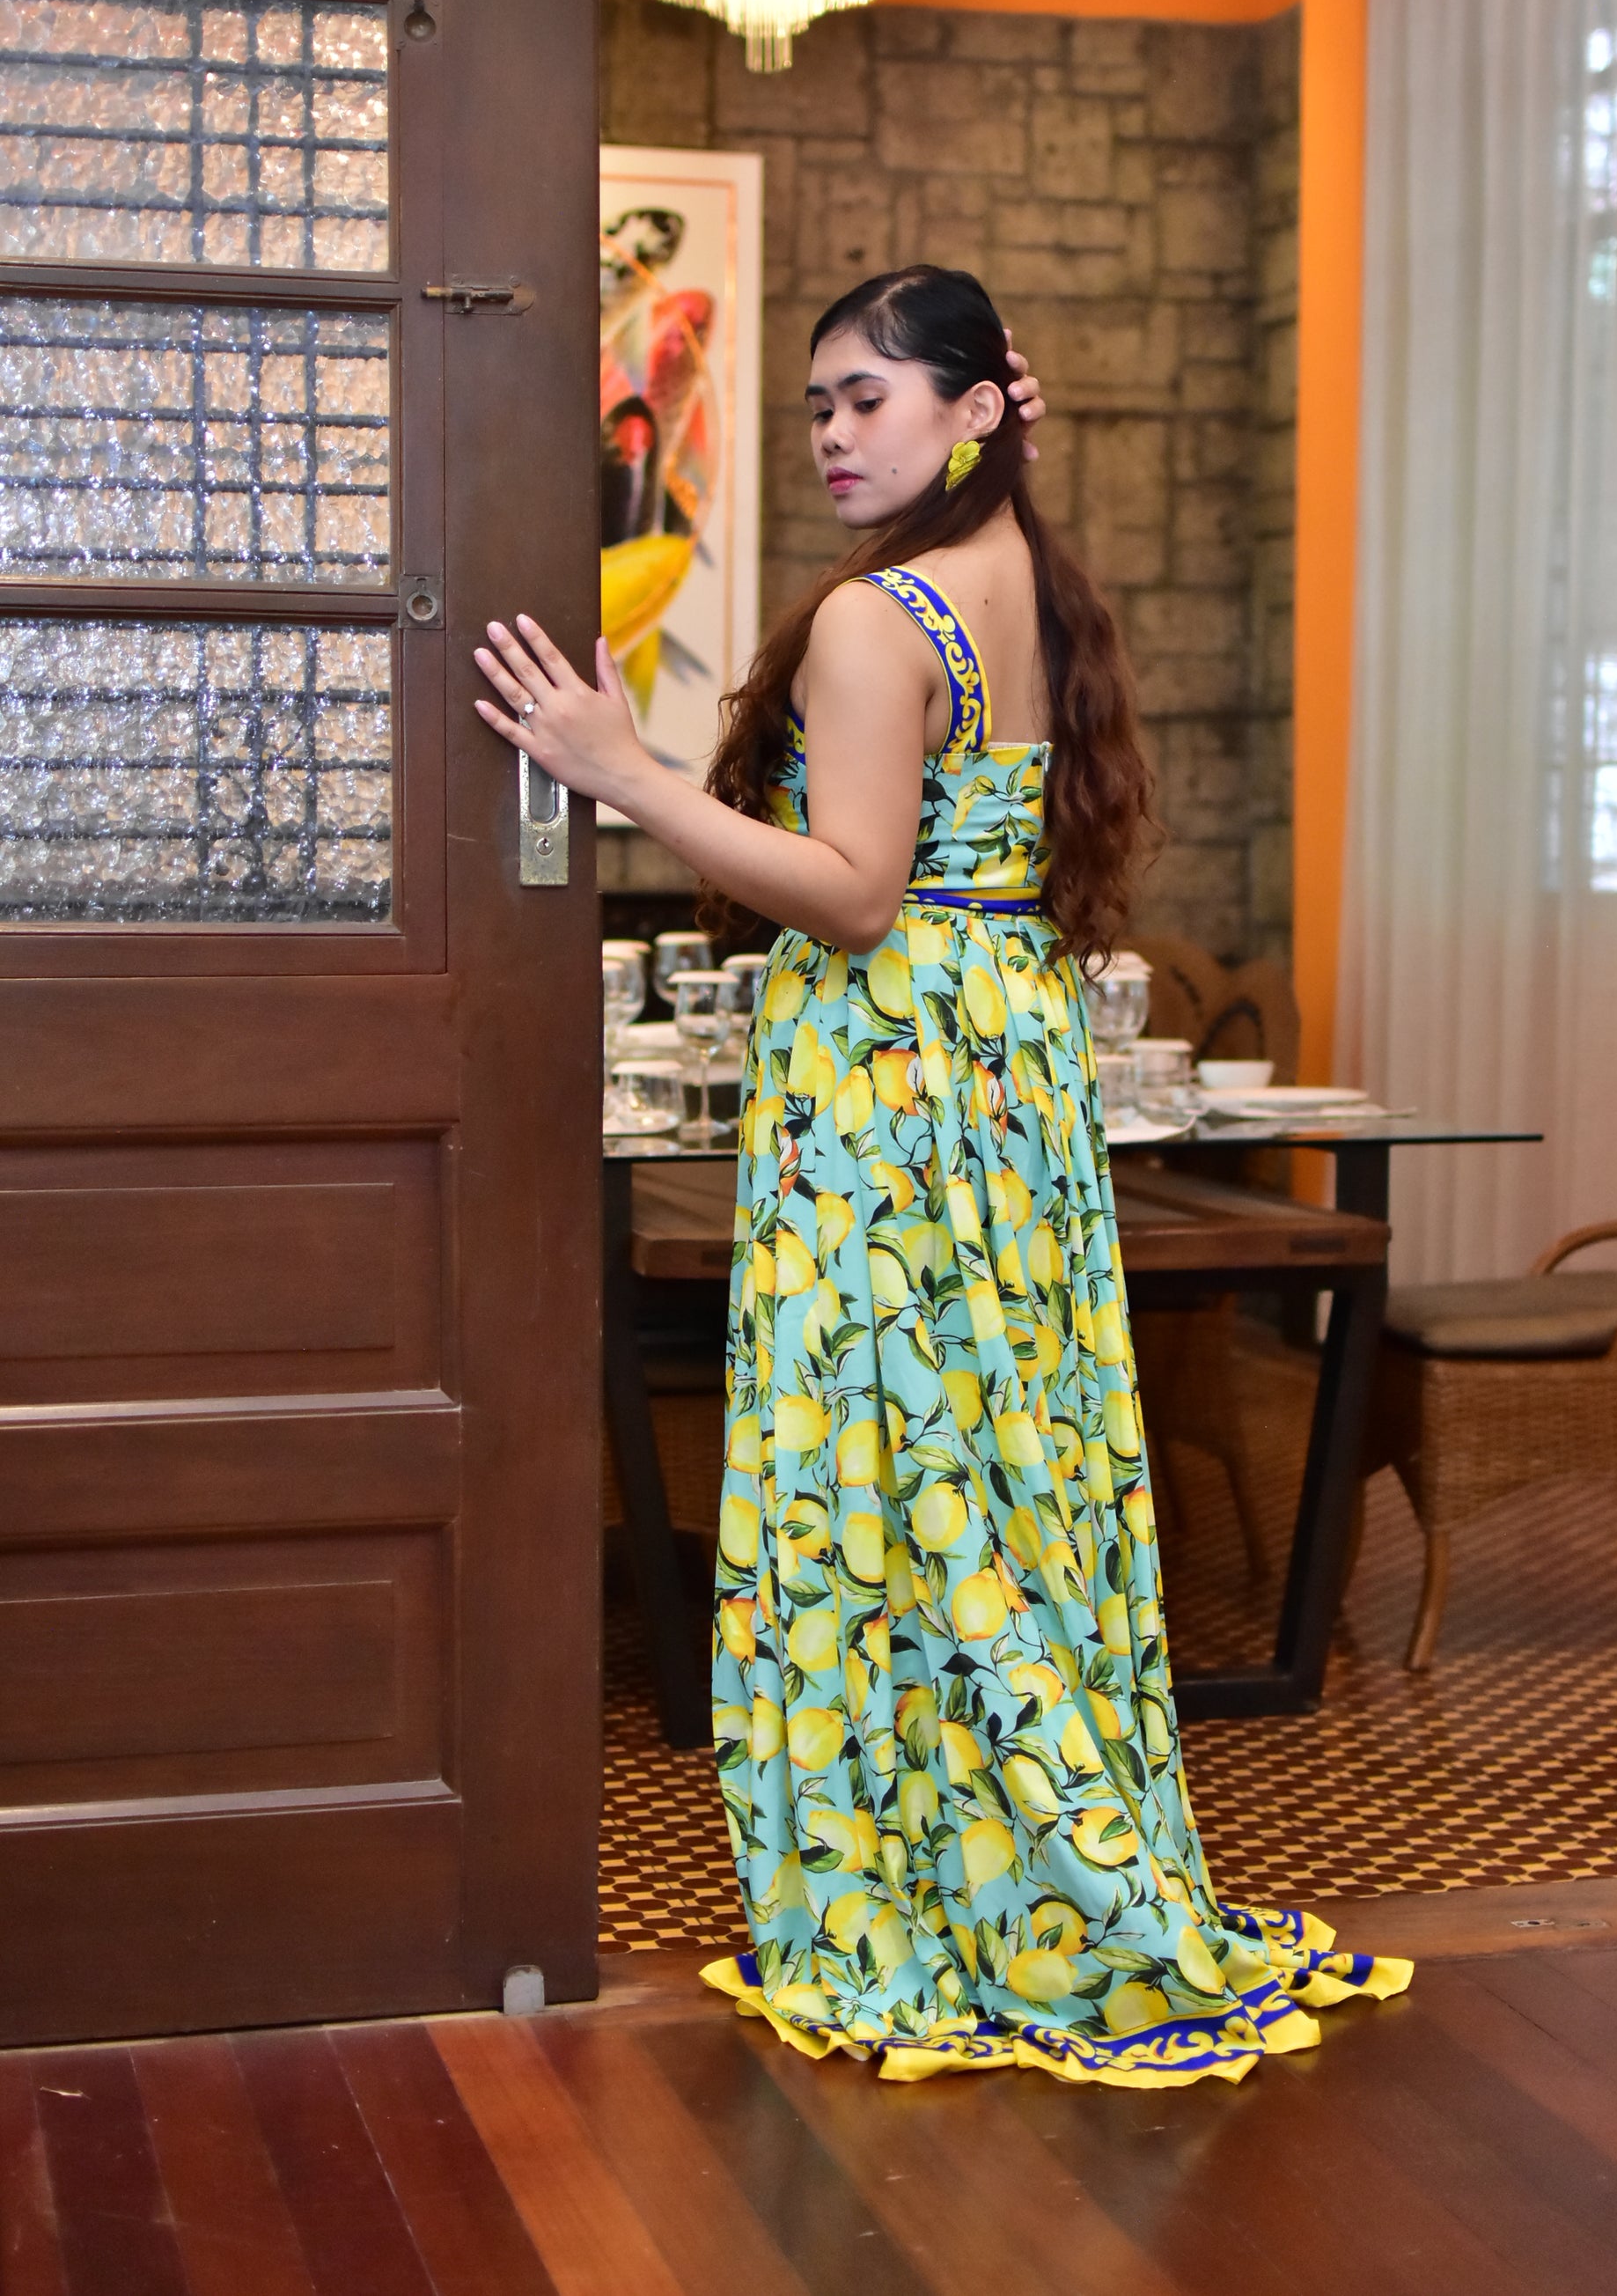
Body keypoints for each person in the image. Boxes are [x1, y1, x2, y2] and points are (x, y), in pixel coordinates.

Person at [474, 264, 1410, 2088]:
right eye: (816, 405)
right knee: (995, 1462)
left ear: (976, 408)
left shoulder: (873, 616)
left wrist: (621, 769)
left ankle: (918, 1885)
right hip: (1003, 1048)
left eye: (868, 399)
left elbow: (849, 893)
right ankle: (1032, 1868)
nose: (832, 434)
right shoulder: (1030, 585)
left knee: (881, 1467)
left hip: (894, 1056)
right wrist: (989, 435)